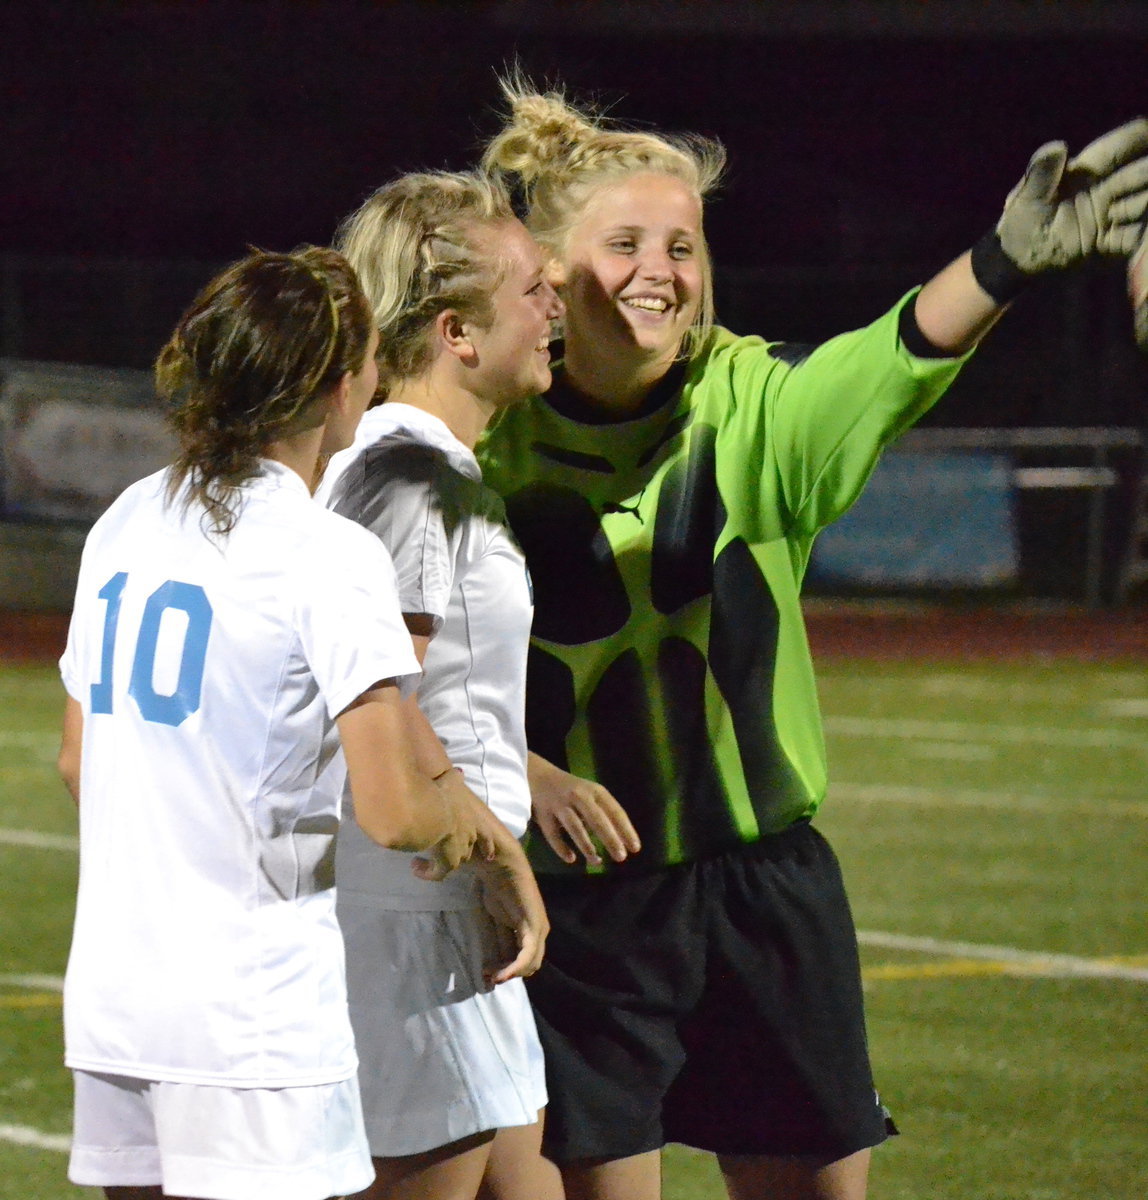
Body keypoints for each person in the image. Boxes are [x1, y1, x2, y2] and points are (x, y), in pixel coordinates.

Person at [478, 81, 1148, 1200]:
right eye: (626, 243)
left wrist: (1002, 259)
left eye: (681, 246)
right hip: (578, 904)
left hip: (761, 894)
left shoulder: (752, 402)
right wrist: (521, 770)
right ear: (547, 272)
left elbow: (886, 360)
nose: (661, 270)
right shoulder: (482, 440)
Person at [56, 245, 543, 1200]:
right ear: (336, 385)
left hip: (116, 1000)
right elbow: (396, 812)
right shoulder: (328, 554)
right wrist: (489, 848)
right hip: (251, 1015)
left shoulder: (125, 519)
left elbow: (80, 761)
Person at [315, 171, 573, 1200]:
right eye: (528, 288)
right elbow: (379, 703)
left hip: (449, 904)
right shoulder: (408, 475)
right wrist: (494, 842)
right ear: (457, 331)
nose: (555, 303)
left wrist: (524, 776)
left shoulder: (427, 466)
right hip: (416, 910)